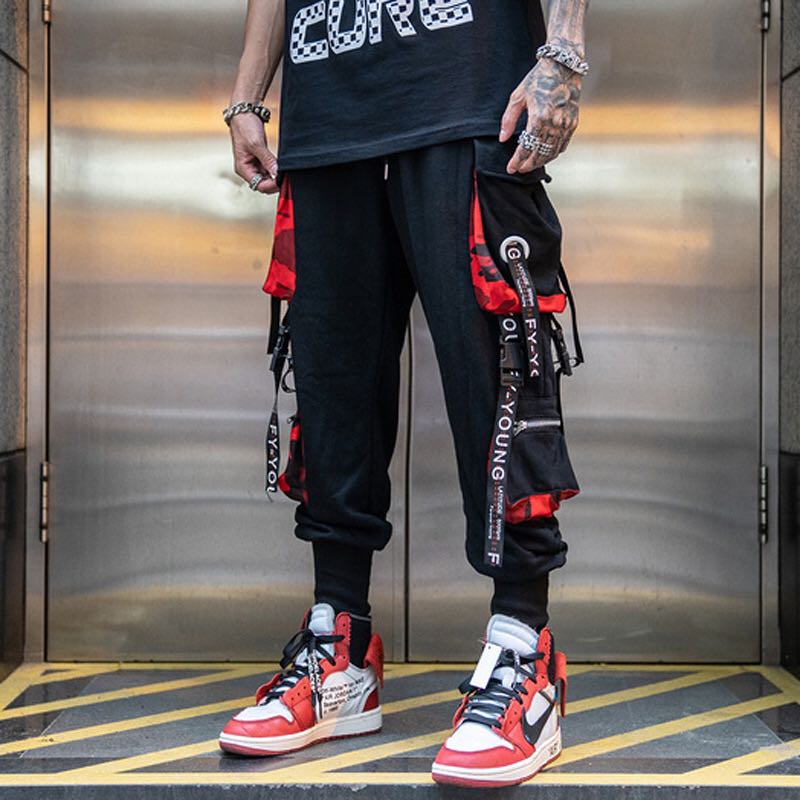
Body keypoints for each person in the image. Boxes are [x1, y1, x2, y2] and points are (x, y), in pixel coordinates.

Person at [219, 0, 589, 787]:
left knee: (499, 377)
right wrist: (248, 95)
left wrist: (561, 54)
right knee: (331, 385)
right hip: (326, 115)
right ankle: (340, 646)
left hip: (467, 94)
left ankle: (523, 645)